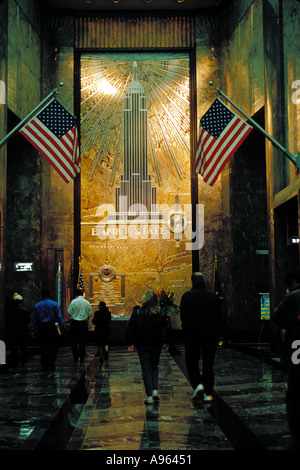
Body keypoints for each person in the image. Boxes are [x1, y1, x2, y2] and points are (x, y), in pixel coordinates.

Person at [180, 272, 223, 403]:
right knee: (208, 364)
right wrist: (220, 334)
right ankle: (208, 393)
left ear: (192, 282)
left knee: (191, 361)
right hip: (210, 334)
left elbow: (184, 317)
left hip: (193, 334)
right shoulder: (213, 296)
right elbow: (220, 316)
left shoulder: (187, 296)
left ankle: (198, 384)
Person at [272, 267, 300, 449]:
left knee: (295, 389)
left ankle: (297, 429)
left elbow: (276, 317)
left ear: (292, 283)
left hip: (297, 350)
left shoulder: (293, 297)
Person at [127, 291, 170, 405]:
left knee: (146, 368)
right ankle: (155, 389)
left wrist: (130, 342)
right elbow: (167, 327)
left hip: (142, 344)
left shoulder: (137, 313)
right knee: (154, 366)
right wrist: (167, 341)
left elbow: (130, 327)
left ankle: (149, 395)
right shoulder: (161, 313)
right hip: (156, 344)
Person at [30, 288, 64, 371]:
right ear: (49, 295)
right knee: (53, 345)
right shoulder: (54, 304)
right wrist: (62, 327)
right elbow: (59, 317)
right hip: (52, 327)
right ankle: (52, 362)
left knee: (43, 346)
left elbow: (33, 318)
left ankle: (44, 363)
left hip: (42, 327)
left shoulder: (37, 305)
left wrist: (32, 329)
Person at [67, 288, 92, 363]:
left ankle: (75, 356)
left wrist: (72, 317)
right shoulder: (86, 302)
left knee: (73, 341)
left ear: (76, 295)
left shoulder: (73, 302)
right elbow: (90, 313)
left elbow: (69, 312)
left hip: (74, 323)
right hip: (83, 324)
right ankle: (82, 357)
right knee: (82, 341)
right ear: (82, 294)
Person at [6, 293, 30, 367]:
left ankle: (15, 362)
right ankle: (23, 360)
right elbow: (28, 320)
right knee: (23, 346)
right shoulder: (24, 310)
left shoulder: (10, 310)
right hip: (22, 331)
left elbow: (7, 321)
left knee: (14, 347)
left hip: (13, 331)